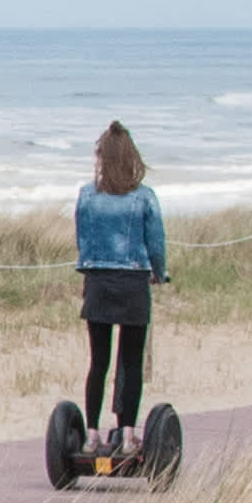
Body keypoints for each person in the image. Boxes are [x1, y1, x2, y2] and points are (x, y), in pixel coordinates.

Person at [73, 121, 167, 455]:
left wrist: (91, 263)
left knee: (98, 361)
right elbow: (155, 242)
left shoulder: (87, 194)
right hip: (132, 282)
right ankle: (127, 434)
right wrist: (160, 272)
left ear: (102, 158)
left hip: (98, 280)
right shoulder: (144, 197)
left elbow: (82, 238)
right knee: (130, 359)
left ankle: (92, 432)